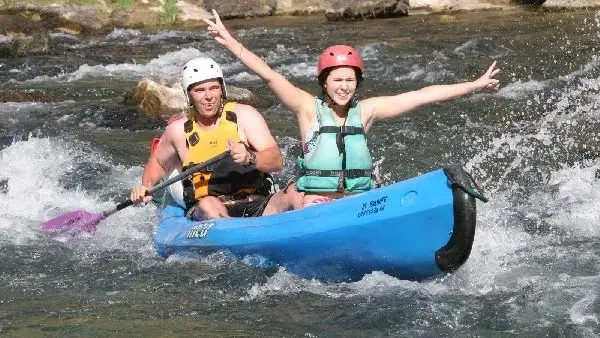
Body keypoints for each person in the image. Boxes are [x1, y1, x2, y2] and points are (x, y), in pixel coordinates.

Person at [202, 10, 501, 207]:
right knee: (303, 202)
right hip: (316, 200)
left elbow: (423, 95)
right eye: (337, 80)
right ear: (324, 82)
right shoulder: (307, 108)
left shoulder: (367, 111)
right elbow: (268, 74)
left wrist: (474, 85)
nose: (344, 86)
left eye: (350, 80)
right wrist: (228, 40)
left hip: (357, 203)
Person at [131, 57, 303, 219]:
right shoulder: (178, 131)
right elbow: (158, 161)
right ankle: (236, 237)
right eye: (199, 90)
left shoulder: (245, 116)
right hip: (211, 210)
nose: (208, 96)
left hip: (258, 203)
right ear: (189, 95)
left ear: (222, 90)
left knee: (297, 192)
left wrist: (249, 157)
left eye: (214, 88)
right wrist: (146, 186)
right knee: (208, 204)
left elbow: (276, 162)